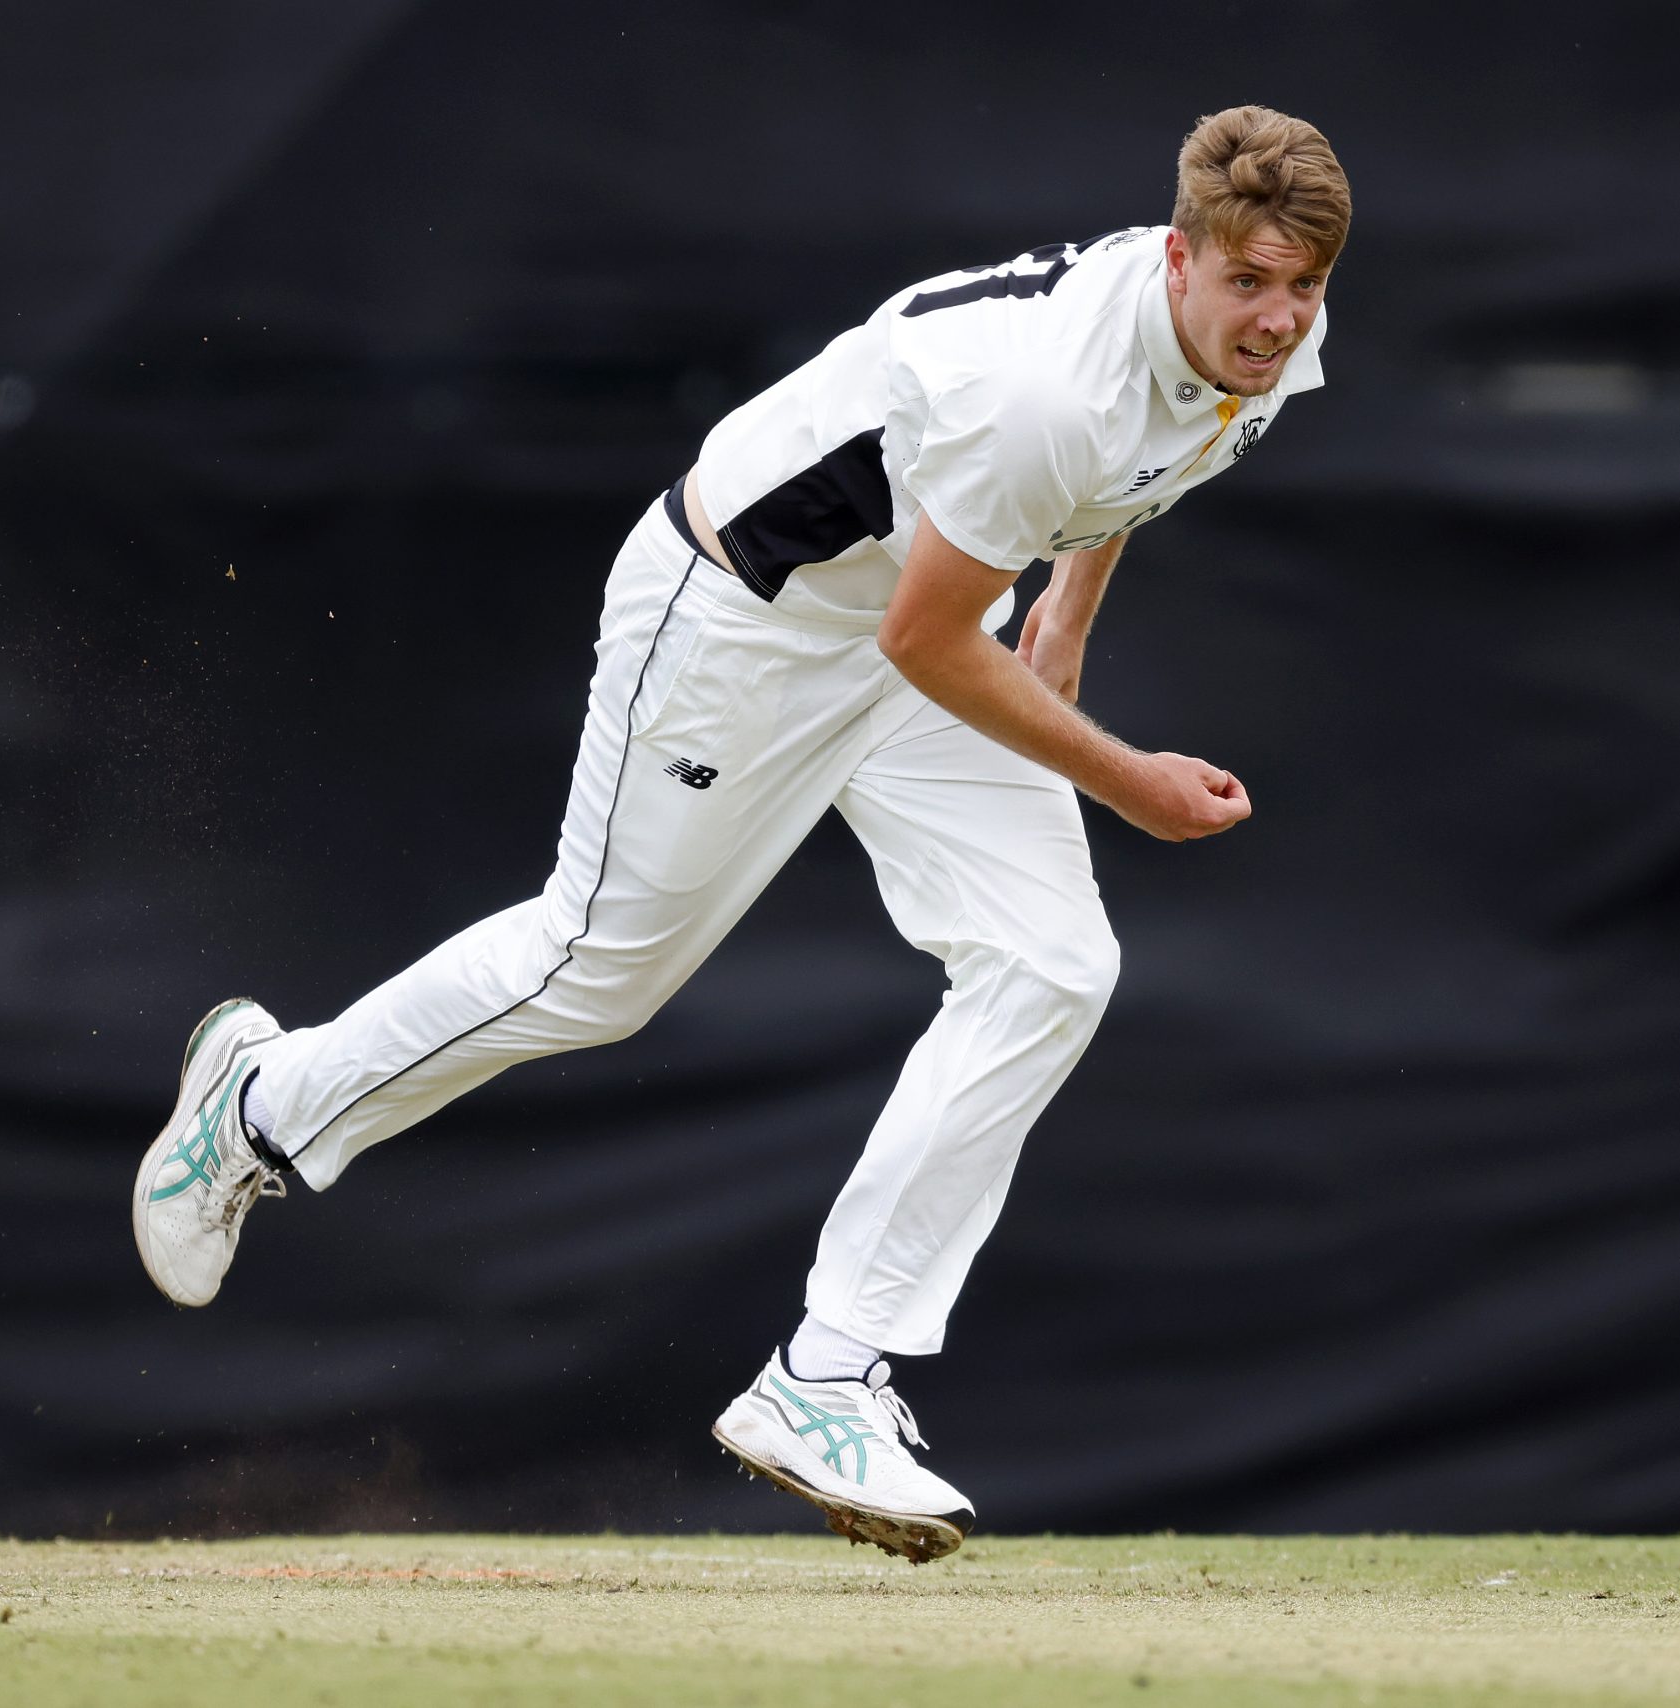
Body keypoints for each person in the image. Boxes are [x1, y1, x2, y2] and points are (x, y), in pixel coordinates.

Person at [132, 106, 1351, 1563]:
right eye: (1249, 284)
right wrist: (1127, 781)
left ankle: (827, 1375)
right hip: (744, 619)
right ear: (1176, 262)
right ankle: (260, 1104)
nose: (1278, 320)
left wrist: (1071, 614)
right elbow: (932, 637)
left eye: (1304, 286)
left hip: (911, 623)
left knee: (1051, 966)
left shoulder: (1256, 348)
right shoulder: (1044, 395)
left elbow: (1143, 469)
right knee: (595, 974)